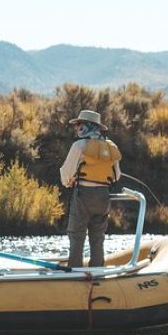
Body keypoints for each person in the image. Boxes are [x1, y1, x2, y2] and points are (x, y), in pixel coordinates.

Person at [60, 110, 122, 268]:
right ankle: (98, 273)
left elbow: (66, 174)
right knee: (97, 237)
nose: (77, 128)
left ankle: (74, 273)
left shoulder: (79, 145)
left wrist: (69, 182)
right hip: (103, 197)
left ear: (86, 126)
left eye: (79, 124)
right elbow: (117, 176)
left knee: (76, 236)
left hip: (82, 196)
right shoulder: (111, 147)